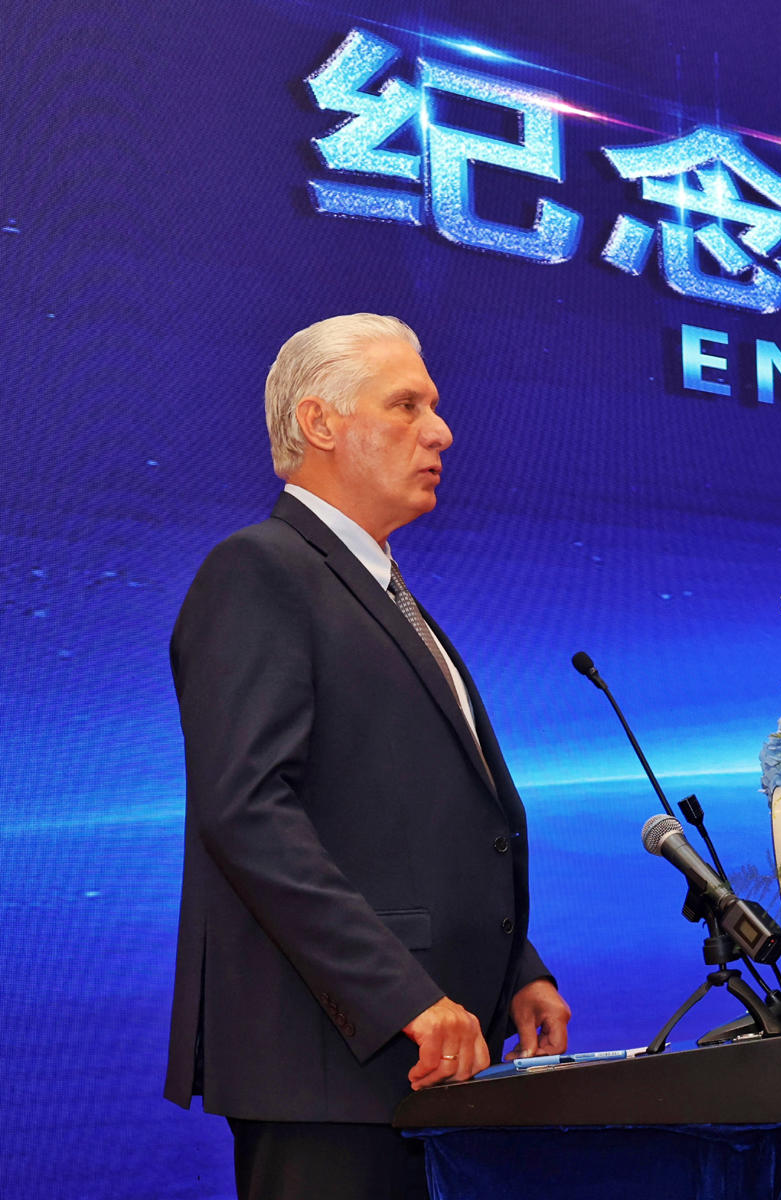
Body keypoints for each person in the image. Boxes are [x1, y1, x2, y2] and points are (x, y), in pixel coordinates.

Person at [165, 314, 572, 1199]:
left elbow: (395, 821)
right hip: (331, 1070)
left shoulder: (384, 592)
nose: (441, 430)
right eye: (408, 404)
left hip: (424, 1061)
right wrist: (402, 997)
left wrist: (516, 970)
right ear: (321, 423)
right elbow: (249, 814)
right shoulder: (260, 570)